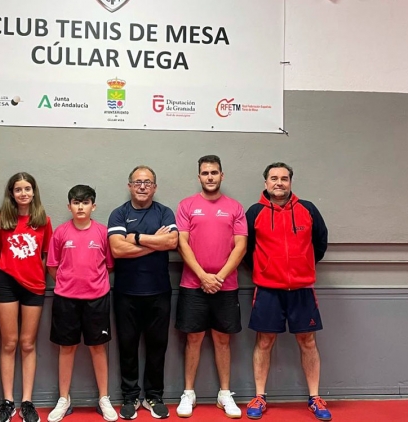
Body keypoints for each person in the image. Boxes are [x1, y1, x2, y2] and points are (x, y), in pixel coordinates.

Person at [244, 162, 330, 421]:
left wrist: (302, 267)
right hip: (268, 290)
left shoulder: (308, 209)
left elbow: (320, 244)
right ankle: (260, 396)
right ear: (266, 183)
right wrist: (266, 269)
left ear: (291, 182)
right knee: (265, 341)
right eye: (273, 178)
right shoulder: (255, 212)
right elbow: (246, 249)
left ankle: (315, 398)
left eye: (284, 178)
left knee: (308, 342)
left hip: (302, 289)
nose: (279, 182)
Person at [175, 155, 247, 419]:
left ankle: (224, 393)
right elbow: (182, 242)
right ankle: (189, 393)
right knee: (193, 339)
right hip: (193, 284)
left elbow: (241, 245)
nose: (209, 177)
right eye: (205, 173)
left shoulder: (235, 207)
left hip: (225, 287)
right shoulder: (186, 205)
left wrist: (218, 277)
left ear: (221, 176)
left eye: (214, 172)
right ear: (199, 177)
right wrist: (203, 276)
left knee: (222, 340)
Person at [108, 165, 178, 420]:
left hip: (159, 292)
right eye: (137, 182)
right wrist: (152, 242)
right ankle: (130, 397)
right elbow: (117, 249)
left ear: (154, 187)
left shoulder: (164, 212)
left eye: (147, 182)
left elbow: (171, 242)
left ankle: (154, 396)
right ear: (129, 186)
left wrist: (134, 238)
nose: (142, 186)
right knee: (127, 346)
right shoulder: (119, 214)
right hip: (126, 293)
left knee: (157, 346)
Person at [46, 185, 118, 422]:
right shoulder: (60, 233)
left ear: (93, 206)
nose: (80, 207)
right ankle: (64, 399)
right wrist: (69, 285)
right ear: (69, 206)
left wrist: (90, 286)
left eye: (85, 202)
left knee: (98, 348)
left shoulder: (102, 232)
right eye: (76, 203)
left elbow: (108, 265)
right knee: (67, 348)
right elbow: (53, 266)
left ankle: (104, 398)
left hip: (97, 299)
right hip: (66, 300)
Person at [0, 172, 53, 422]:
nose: (23, 193)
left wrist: (37, 276)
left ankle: (27, 401)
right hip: (6, 284)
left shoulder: (43, 221)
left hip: (35, 285)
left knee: (28, 344)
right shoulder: (1, 220)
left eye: (28, 188)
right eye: (18, 189)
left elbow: (47, 256)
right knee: (9, 343)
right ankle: (8, 401)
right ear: (11, 193)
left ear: (34, 192)